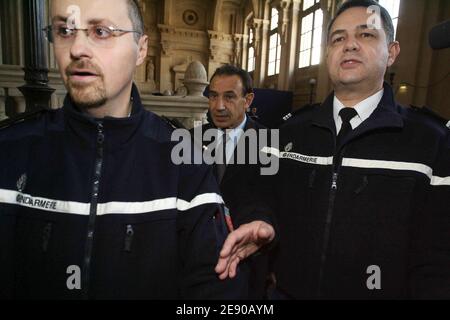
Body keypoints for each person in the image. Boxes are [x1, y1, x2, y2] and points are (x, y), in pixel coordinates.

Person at [0, 0, 247, 299]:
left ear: (141, 49)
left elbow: (217, 292)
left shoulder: (184, 161)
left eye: (101, 31)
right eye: (64, 30)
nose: (77, 49)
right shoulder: (10, 150)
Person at [219, 0, 450, 299]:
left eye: (366, 35)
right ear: (328, 53)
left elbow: (438, 257)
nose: (350, 45)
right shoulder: (287, 134)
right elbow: (257, 194)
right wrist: (260, 218)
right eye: (338, 38)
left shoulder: (431, 143)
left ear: (391, 53)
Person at [192, 65, 275, 298]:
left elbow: (276, 205)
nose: (219, 106)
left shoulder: (270, 143)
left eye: (229, 97)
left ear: (248, 100)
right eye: (213, 96)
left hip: (249, 264)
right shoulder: (190, 140)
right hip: (199, 264)